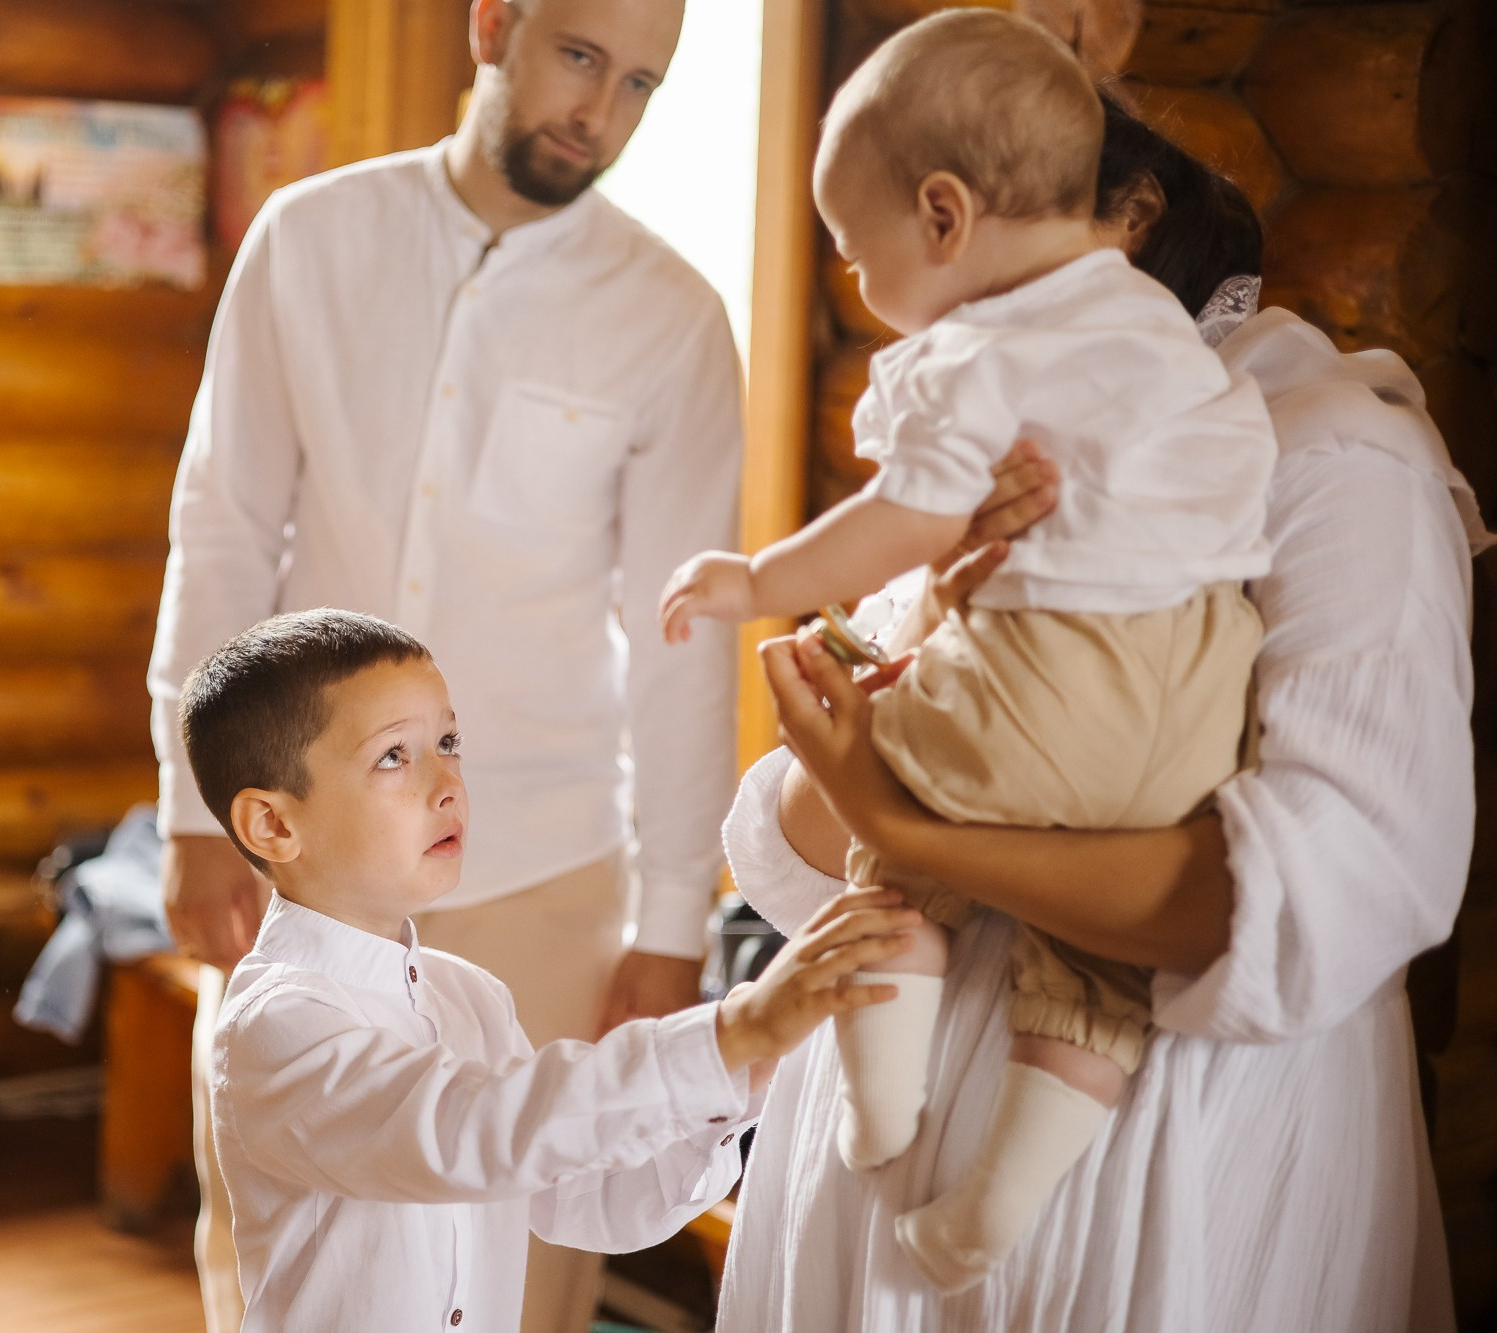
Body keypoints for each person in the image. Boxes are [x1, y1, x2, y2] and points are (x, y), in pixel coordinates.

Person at [714, 92, 1479, 1330]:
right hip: (865, 1170)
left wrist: (908, 825)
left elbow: (1327, 892)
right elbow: (797, 844)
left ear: (1128, 221)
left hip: (1165, 1164)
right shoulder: (992, 447)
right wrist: (895, 685)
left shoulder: (1331, 456)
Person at [146, 0, 741, 1325]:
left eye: (640, 84)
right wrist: (193, 810)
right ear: (492, 24)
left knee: (528, 1256)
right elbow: (223, 528)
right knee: (268, 1256)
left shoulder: (674, 319)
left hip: (541, 864)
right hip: (304, 855)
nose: (600, 113)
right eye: (578, 57)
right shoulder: (308, 239)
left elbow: (683, 641)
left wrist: (674, 922)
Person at [662, 10, 1276, 1289]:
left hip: (1052, 677)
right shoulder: (1163, 326)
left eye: (853, 254)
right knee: (1093, 968)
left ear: (942, 215)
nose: (858, 286)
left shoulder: (977, 353)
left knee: (892, 814)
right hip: (1195, 705)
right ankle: (999, 1196)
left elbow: (905, 519)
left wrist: (756, 579)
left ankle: (879, 1108)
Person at [182, 608, 912, 1332]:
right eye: (394, 756)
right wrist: (727, 1035)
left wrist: (736, 1082)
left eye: (448, 742)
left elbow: (588, 1200)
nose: (447, 784)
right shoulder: (275, 1025)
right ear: (273, 825)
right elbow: (471, 1132)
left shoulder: (470, 996)